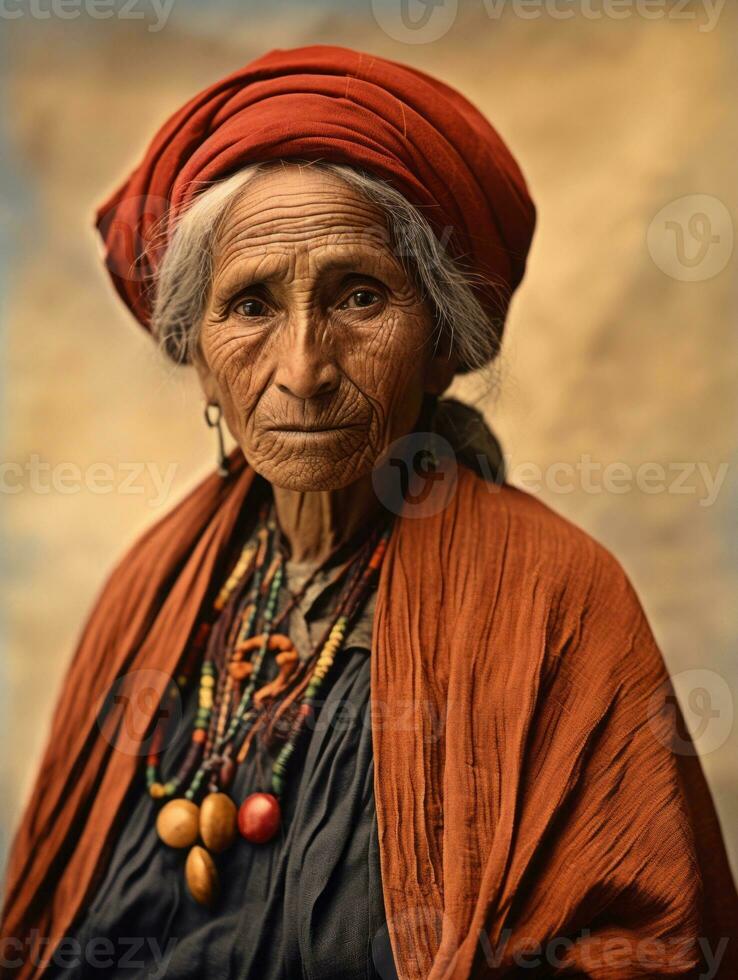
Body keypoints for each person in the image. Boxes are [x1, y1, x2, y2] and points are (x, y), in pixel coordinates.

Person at [2, 45, 736, 980]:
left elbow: (647, 950)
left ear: (442, 344)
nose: (304, 371)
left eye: (360, 296)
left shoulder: (557, 601)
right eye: (251, 306)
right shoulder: (150, 592)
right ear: (202, 362)